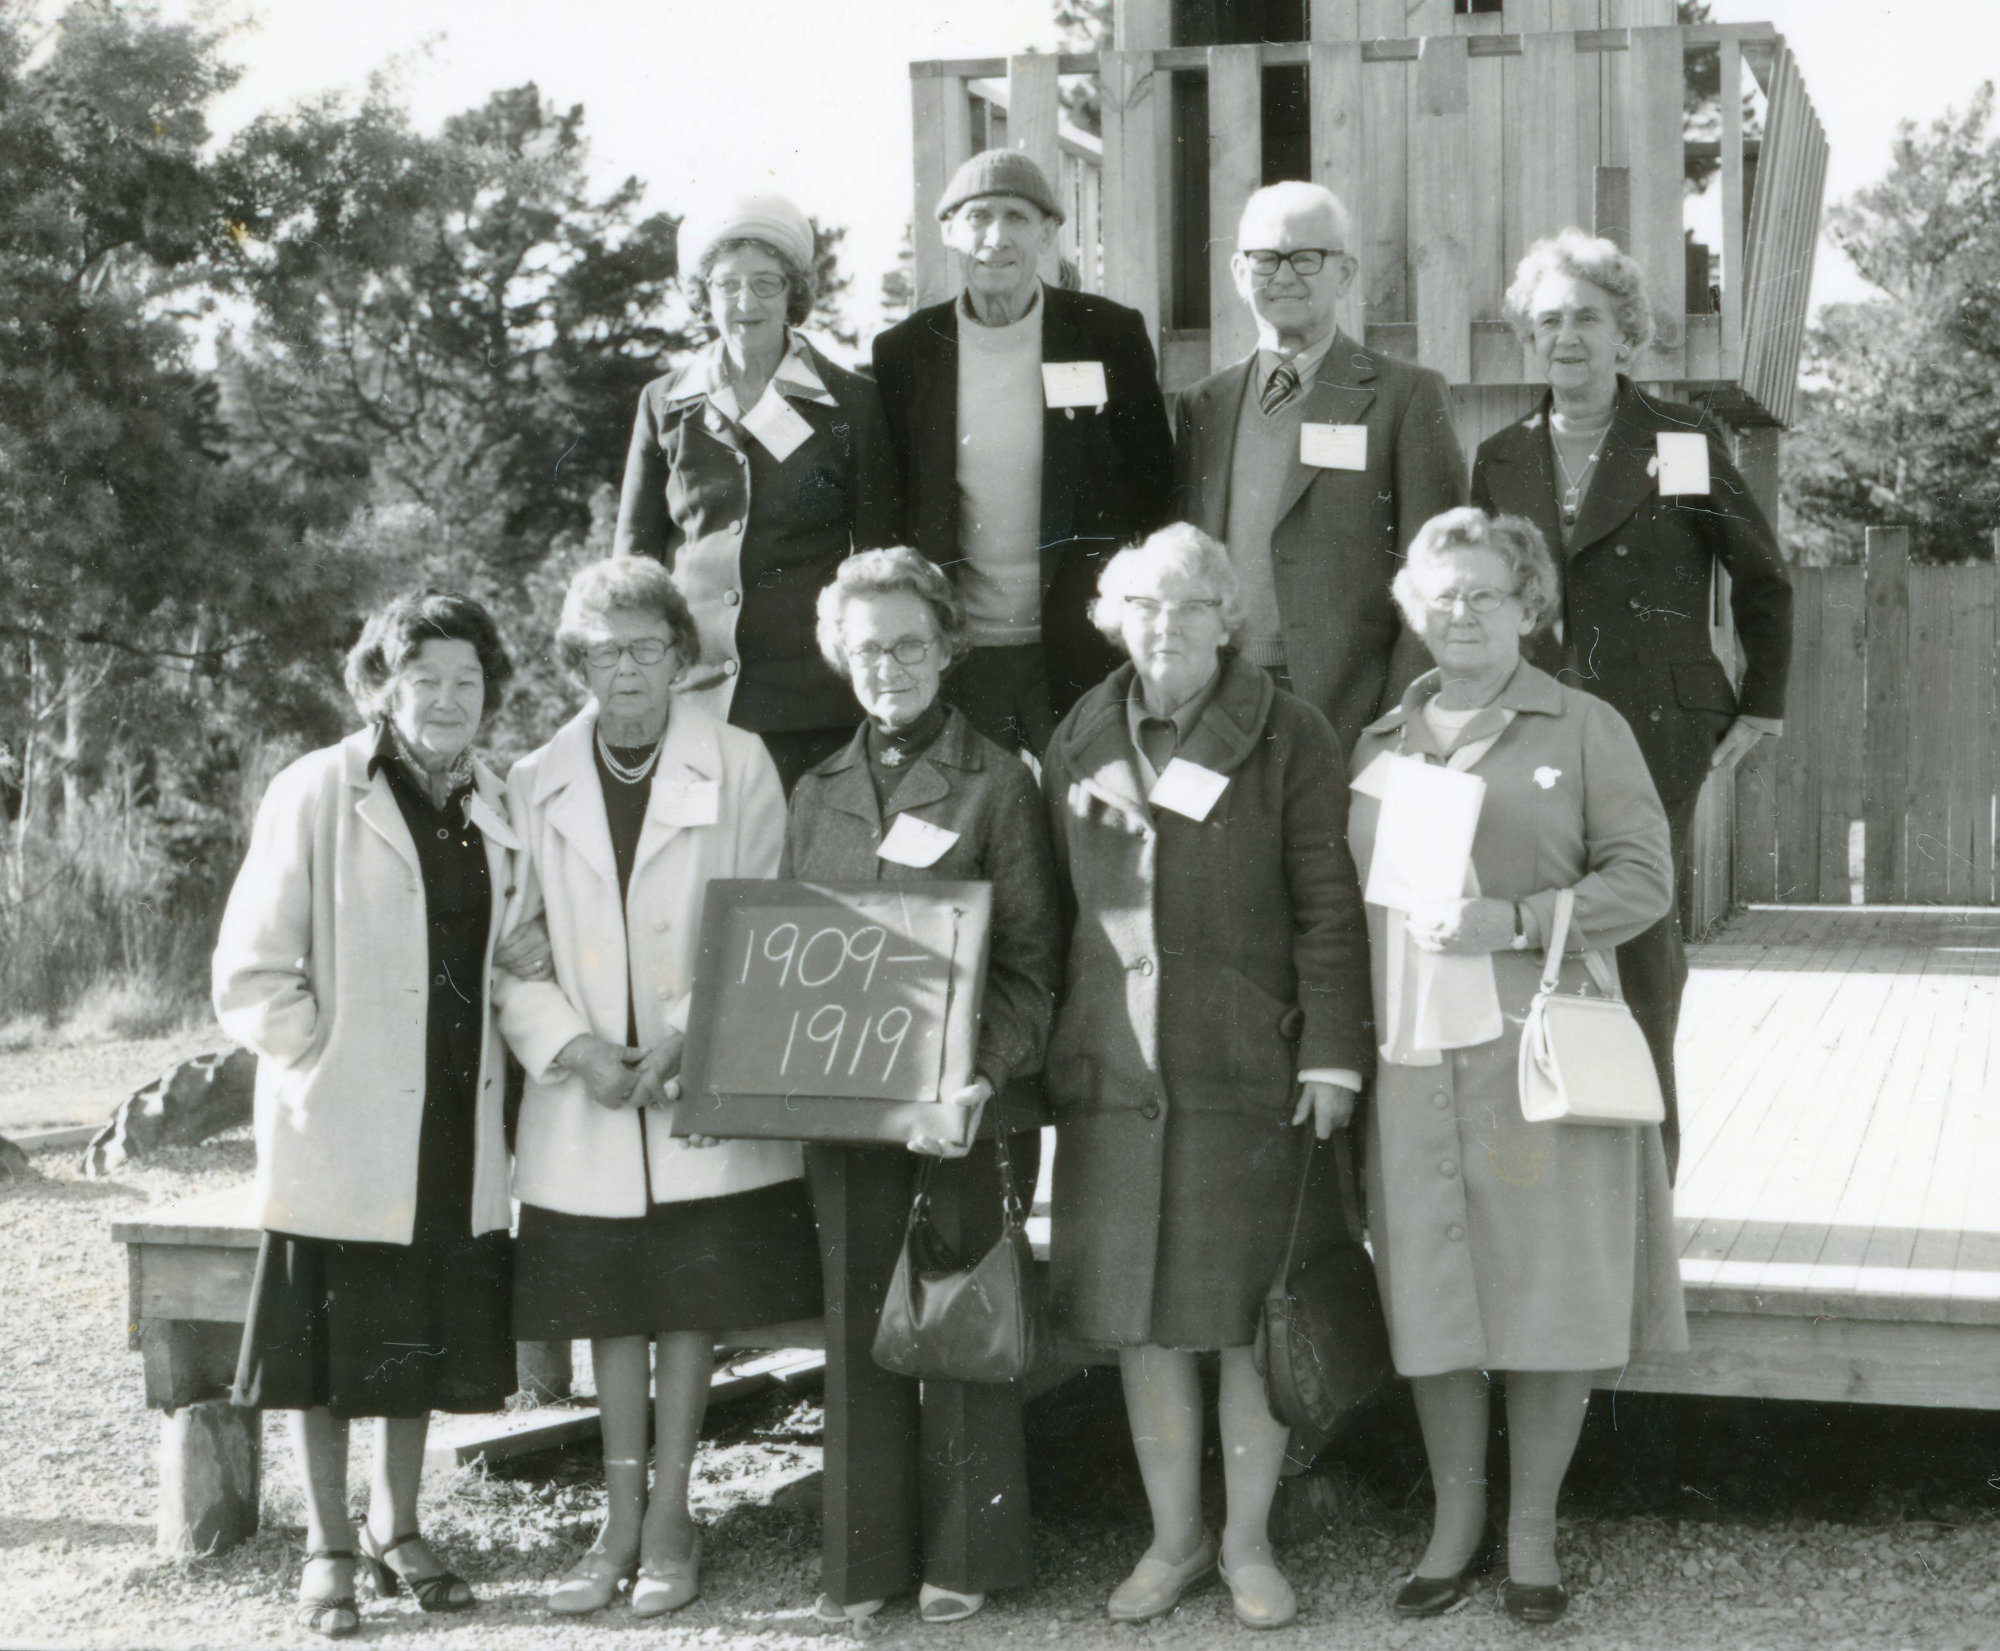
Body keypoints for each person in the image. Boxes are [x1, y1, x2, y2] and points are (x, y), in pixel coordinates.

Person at [1347, 508, 1686, 1627]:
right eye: (1439, 596)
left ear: (1528, 605)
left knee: (1544, 1290)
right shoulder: (1377, 749)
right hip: (1413, 1055)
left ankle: (1531, 1532)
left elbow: (1644, 881)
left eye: (1483, 594)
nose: (1460, 615)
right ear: (1411, 608)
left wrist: (1518, 917)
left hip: (1534, 1051)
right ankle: (1452, 1523)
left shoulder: (1582, 727)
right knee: (1433, 1292)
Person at [1041, 524, 1372, 1631]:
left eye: (1190, 607)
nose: (1166, 627)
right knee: (1141, 1322)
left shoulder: (1292, 733)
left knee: (1244, 1316)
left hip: (1249, 1073)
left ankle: (1245, 1543)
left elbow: (1328, 909)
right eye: (1144, 605)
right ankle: (1173, 1540)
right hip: (1115, 1077)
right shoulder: (1080, 733)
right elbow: (1058, 921)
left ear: (1228, 619)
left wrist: (1329, 1049)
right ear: (1112, 618)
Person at [497, 559, 821, 1618]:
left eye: (644, 647)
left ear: (681, 656)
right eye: (601, 649)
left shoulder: (739, 763)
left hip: (694, 1078)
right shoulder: (534, 777)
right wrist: (576, 1050)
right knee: (608, 1307)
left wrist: (682, 1038)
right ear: (574, 661)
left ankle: (674, 1518)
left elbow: (763, 910)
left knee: (688, 1302)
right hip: (583, 1091)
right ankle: (616, 1521)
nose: (624, 668)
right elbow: (516, 947)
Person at [214, 589, 529, 1636]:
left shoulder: (495, 798)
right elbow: (252, 970)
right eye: (423, 677)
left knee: (420, 1332)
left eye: (467, 680)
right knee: (328, 1347)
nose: (446, 699)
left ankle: (399, 1526)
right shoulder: (317, 788)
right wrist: (318, 1056)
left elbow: (517, 950)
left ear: (490, 695)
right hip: (342, 1117)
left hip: (453, 1109)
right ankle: (327, 1544)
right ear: (381, 687)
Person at [1472, 228, 1793, 1177]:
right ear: (1527, 339)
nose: (1566, 338)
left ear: (1626, 334)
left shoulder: (1683, 441)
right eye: (1548, 322)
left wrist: (1761, 701)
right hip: (1529, 725)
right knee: (1537, 929)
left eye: (1587, 319)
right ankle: (1556, 1179)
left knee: (1640, 939)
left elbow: (1763, 577)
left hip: (1657, 727)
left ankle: (1649, 1184)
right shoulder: (1497, 456)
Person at [784, 547, 1063, 1626]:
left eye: (908, 643)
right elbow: (791, 967)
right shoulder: (816, 790)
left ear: (947, 646)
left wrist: (979, 1077)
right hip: (849, 1114)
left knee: (959, 1321)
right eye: (866, 648)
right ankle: (861, 1563)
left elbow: (1034, 970)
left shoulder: (998, 783)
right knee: (860, 1328)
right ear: (837, 658)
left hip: (963, 1108)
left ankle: (966, 1549)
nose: (888, 665)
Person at [873, 149, 1174, 754]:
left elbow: (1156, 490)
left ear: (1048, 232)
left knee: (1086, 819)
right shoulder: (906, 351)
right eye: (978, 216)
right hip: (958, 648)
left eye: (1016, 216)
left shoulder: (1106, 333)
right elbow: (895, 503)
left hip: (1087, 641)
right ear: (950, 233)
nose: (996, 236)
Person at [614, 192, 903, 792]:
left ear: (793, 294)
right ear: (704, 295)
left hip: (811, 701)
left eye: (766, 284)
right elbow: (633, 567)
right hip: (690, 695)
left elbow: (882, 559)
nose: (746, 303)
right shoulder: (663, 402)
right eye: (727, 286)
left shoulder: (852, 402)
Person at [1172, 181, 1468, 761]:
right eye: (1266, 258)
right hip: (1220, 693)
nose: (1284, 276)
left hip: (1350, 705)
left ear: (1346, 273)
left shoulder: (1404, 396)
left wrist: (1401, 717)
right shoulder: (1203, 405)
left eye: (1308, 258)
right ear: (1239, 272)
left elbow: (1438, 573)